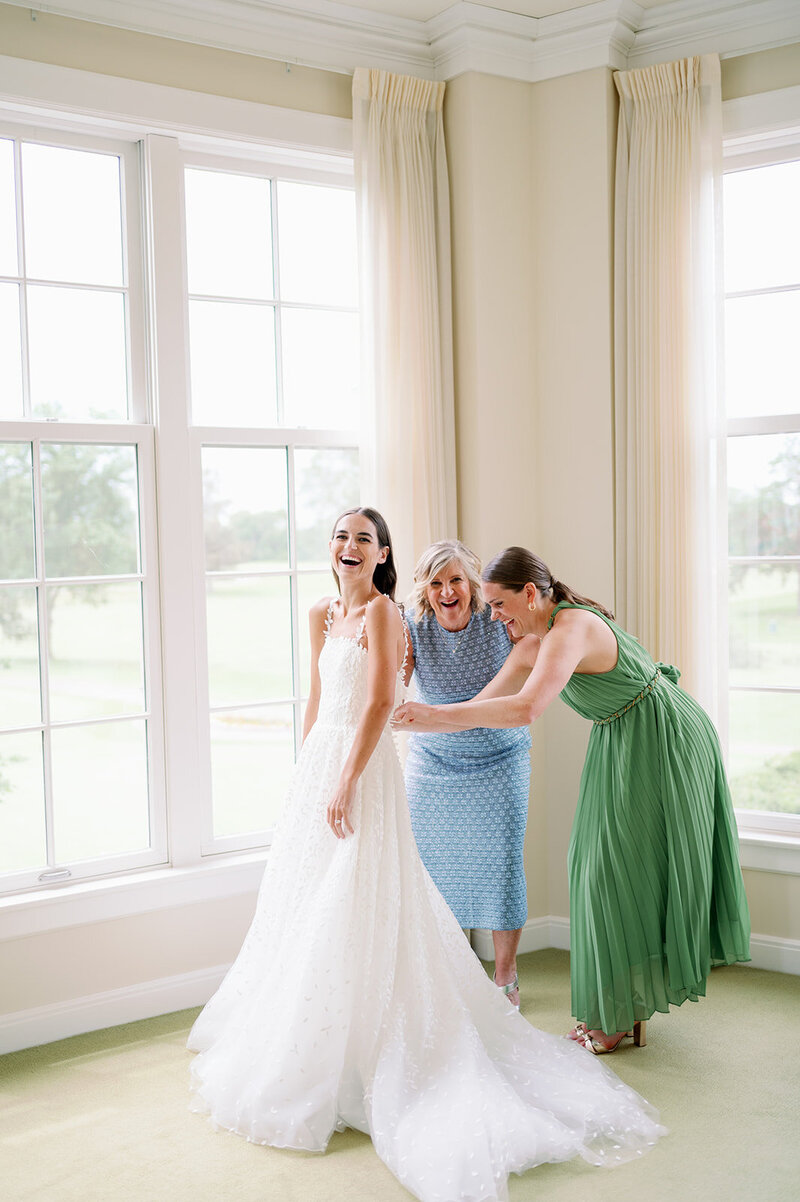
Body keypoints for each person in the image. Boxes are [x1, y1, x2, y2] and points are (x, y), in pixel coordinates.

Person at [188, 513, 664, 1201]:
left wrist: (353, 774)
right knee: (312, 900)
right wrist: (308, 770)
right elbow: (319, 700)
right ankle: (321, 1032)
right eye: (340, 536)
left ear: (381, 556)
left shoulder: (403, 617)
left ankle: (481, 988)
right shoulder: (326, 613)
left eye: (363, 538)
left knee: (375, 887)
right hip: (337, 762)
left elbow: (386, 697)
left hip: (386, 764)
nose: (348, 547)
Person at [393, 546, 751, 1056]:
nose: (493, 616)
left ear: (531, 593)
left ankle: (614, 1018)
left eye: (498, 605)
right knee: (594, 866)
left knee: (610, 870)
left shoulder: (571, 628)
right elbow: (481, 705)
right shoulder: (534, 642)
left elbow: (524, 710)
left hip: (663, 737)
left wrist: (430, 717)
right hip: (620, 736)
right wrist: (424, 716)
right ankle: (620, 1009)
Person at [404, 540, 531, 1007]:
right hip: (432, 763)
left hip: (499, 760)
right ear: (425, 590)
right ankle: (451, 975)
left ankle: (505, 976)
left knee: (500, 868)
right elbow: (393, 679)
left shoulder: (498, 620)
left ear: (472, 584)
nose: (446, 591)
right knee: (435, 873)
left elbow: (521, 681)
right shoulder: (412, 626)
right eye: (436, 583)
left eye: (455, 580)